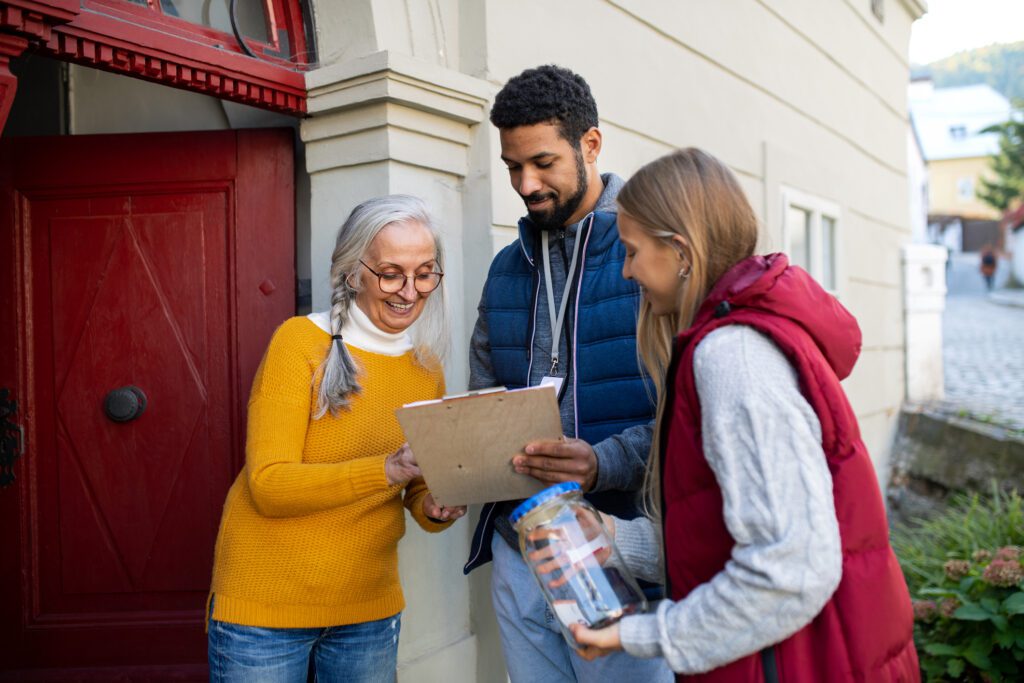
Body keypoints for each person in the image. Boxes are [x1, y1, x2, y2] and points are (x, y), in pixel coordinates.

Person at [567, 148, 920, 680]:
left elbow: (791, 567)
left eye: (633, 251)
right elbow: (722, 529)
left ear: (680, 251)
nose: (626, 270)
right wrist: (614, 535)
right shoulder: (738, 337)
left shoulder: (733, 358)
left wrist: (641, 633)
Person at [463, 64, 673, 682]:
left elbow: (686, 417)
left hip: (617, 544)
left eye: (543, 163)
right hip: (518, 548)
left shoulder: (650, 255)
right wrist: (455, 469)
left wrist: (602, 461)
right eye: (511, 168)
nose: (526, 184)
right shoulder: (506, 268)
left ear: (591, 145)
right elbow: (484, 398)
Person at [207, 195, 466, 682]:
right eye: (391, 273)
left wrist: (433, 505)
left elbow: (412, 486)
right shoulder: (298, 343)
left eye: (425, 272)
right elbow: (269, 485)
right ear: (353, 273)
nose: (410, 291)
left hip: (367, 608)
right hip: (266, 607)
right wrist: (387, 468)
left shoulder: (426, 367)